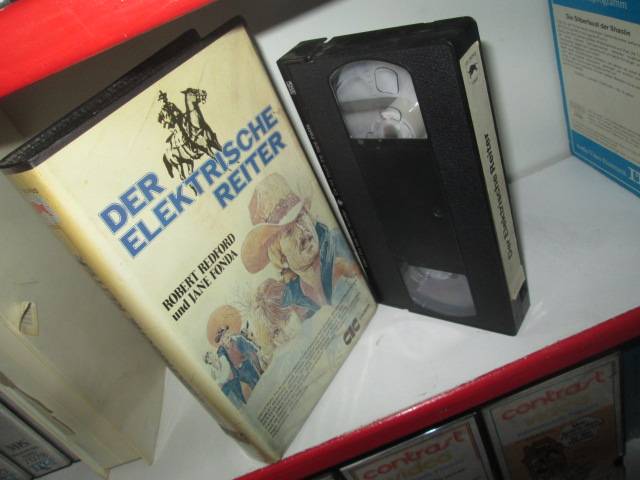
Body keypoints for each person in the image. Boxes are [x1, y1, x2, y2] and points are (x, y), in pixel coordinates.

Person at [241, 173, 361, 319]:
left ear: (309, 216)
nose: (302, 231)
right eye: (289, 231)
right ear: (280, 256)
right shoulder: (294, 306)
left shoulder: (343, 244)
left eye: (300, 217)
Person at [206, 305, 263, 408]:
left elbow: (252, 352)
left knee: (257, 384)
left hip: (247, 366)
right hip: (237, 374)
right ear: (221, 341)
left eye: (226, 335)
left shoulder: (238, 340)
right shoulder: (221, 351)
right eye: (223, 338)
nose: (226, 338)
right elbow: (220, 363)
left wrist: (259, 369)